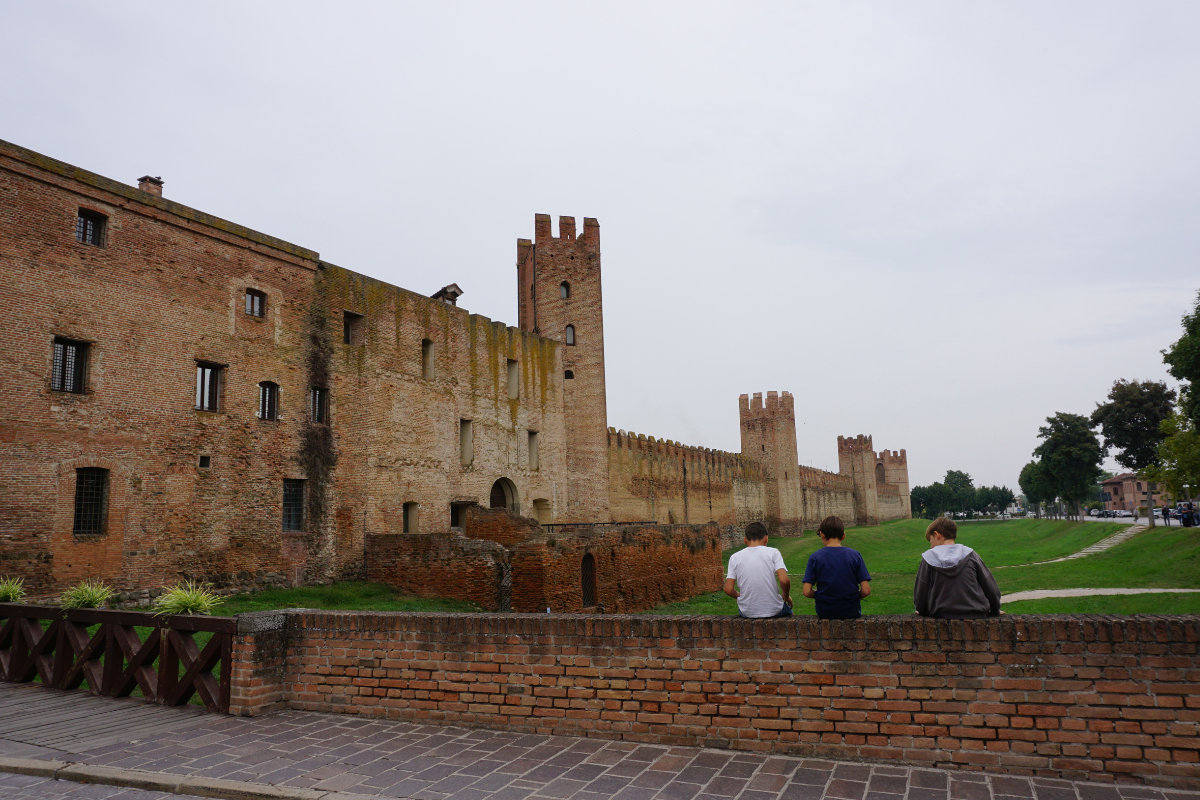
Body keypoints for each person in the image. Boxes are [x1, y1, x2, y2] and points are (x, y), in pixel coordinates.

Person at [913, 517, 1001, 619]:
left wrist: (922, 611)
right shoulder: (971, 554)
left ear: (937, 535)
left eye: (930, 540)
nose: (931, 546)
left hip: (941, 616)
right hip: (976, 614)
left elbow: (921, 594)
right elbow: (990, 587)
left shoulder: (928, 558)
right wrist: (995, 610)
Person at [800, 515, 871, 619]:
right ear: (843, 536)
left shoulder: (815, 557)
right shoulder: (855, 555)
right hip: (851, 610)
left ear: (822, 535)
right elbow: (866, 590)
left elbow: (806, 591)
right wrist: (852, 597)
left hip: (825, 611)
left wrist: (821, 595)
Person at [724, 522, 793, 619]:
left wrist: (739, 596)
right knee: (791, 615)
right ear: (766, 538)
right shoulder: (773, 552)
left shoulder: (734, 557)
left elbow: (728, 589)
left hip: (747, 611)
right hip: (774, 609)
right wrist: (786, 595)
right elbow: (784, 580)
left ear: (745, 540)